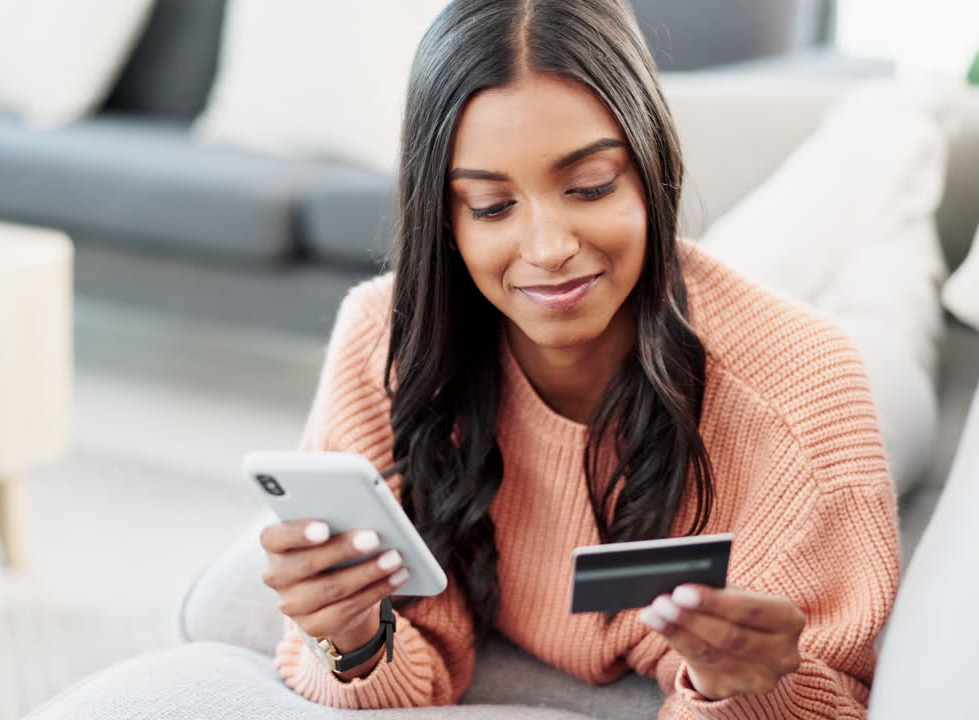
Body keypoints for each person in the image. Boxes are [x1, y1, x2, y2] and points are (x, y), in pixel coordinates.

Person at [258, 0, 900, 716]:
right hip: (666, 287)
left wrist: (749, 689)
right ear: (445, 219)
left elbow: (833, 693)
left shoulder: (810, 387)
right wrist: (351, 636)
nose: (547, 248)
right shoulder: (385, 336)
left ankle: (899, 137)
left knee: (881, 281)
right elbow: (392, 672)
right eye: (492, 207)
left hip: (845, 371)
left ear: (653, 165)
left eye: (590, 187)